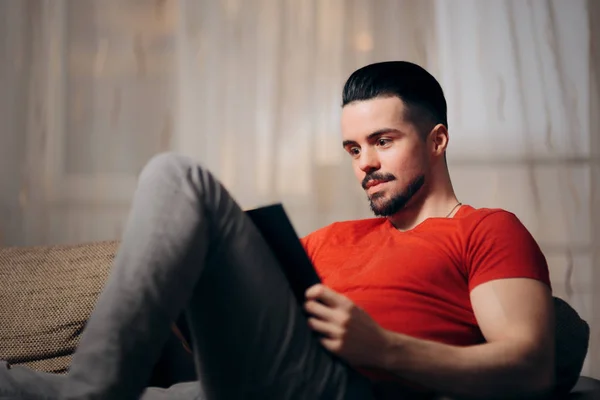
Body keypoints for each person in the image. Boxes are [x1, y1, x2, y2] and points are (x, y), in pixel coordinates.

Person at [0, 61, 563, 399]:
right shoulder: (331, 238)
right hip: (226, 384)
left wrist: (383, 348)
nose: (364, 162)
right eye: (352, 148)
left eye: (383, 141)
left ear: (436, 140)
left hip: (340, 390)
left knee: (178, 176)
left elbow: (530, 365)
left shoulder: (487, 230)